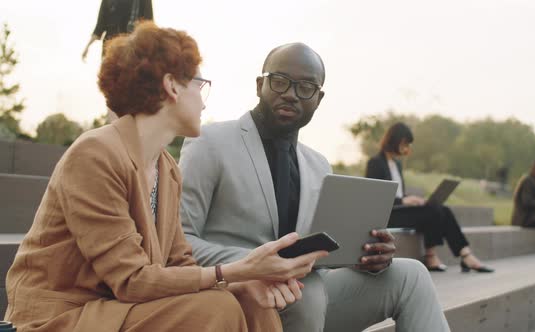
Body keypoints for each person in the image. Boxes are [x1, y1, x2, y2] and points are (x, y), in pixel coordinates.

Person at [4, 22, 327, 332]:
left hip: (124, 307)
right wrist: (238, 271)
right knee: (217, 307)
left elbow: (179, 264)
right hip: (67, 314)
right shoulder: (95, 153)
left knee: (252, 303)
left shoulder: (165, 168)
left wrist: (242, 285)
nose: (203, 100)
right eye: (199, 85)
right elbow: (130, 279)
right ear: (172, 86)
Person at [179, 43, 450, 332]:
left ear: (318, 99)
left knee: (411, 275)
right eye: (280, 81)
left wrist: (369, 256)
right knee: (306, 294)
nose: (291, 94)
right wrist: (256, 265)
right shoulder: (209, 142)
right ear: (260, 85)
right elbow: (179, 240)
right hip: (237, 294)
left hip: (304, 295)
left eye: (306, 87)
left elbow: (319, 255)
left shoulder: (319, 165)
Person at [366, 122, 494, 273]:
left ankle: (466, 254)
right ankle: (431, 255)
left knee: (442, 209)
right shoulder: (375, 163)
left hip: (401, 208)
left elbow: (399, 192)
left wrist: (412, 199)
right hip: (388, 213)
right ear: (395, 141)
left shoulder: (397, 165)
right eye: (405, 143)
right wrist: (403, 201)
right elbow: (374, 197)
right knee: (433, 210)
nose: (407, 148)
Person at [82, 0, 153, 60]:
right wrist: (88, 46)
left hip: (132, 49)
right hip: (111, 49)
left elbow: (149, 24)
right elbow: (100, 25)